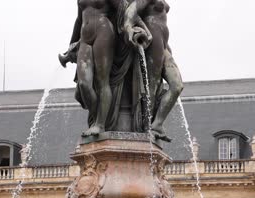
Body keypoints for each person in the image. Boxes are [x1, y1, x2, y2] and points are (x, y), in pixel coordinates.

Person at [60, 0, 127, 136]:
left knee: (102, 81)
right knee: (84, 84)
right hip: (85, 36)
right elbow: (79, 19)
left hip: (104, 32)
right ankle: (98, 116)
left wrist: (130, 28)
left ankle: (100, 124)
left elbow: (123, 10)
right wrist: (72, 44)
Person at [124, 0, 184, 142]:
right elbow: (130, 12)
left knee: (177, 86)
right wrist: (128, 27)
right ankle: (146, 126)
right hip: (153, 41)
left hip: (163, 44)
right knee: (152, 85)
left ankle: (157, 124)